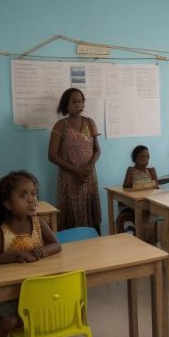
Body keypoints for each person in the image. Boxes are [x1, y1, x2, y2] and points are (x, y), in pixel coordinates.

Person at [0, 171, 61, 337]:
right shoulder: (1, 231)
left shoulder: (38, 223)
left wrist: (38, 253)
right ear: (7, 203)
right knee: (6, 320)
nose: (32, 199)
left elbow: (56, 245)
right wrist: (16, 256)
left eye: (33, 193)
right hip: (13, 291)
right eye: (23, 196)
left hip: (37, 289)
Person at [48, 87, 101, 232]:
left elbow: (97, 149)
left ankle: (94, 245)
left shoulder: (90, 123)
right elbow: (52, 155)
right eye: (74, 101)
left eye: (80, 101)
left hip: (88, 177)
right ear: (66, 105)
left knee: (91, 215)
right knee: (70, 216)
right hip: (69, 178)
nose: (78, 104)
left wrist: (89, 167)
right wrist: (76, 170)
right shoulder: (60, 125)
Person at [116, 145, 158, 239]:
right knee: (145, 221)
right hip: (135, 204)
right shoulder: (131, 170)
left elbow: (156, 186)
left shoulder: (151, 171)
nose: (145, 159)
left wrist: (148, 186)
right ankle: (142, 240)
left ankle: (152, 242)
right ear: (135, 158)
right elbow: (126, 186)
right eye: (142, 157)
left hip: (150, 203)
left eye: (147, 157)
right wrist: (144, 185)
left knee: (160, 219)